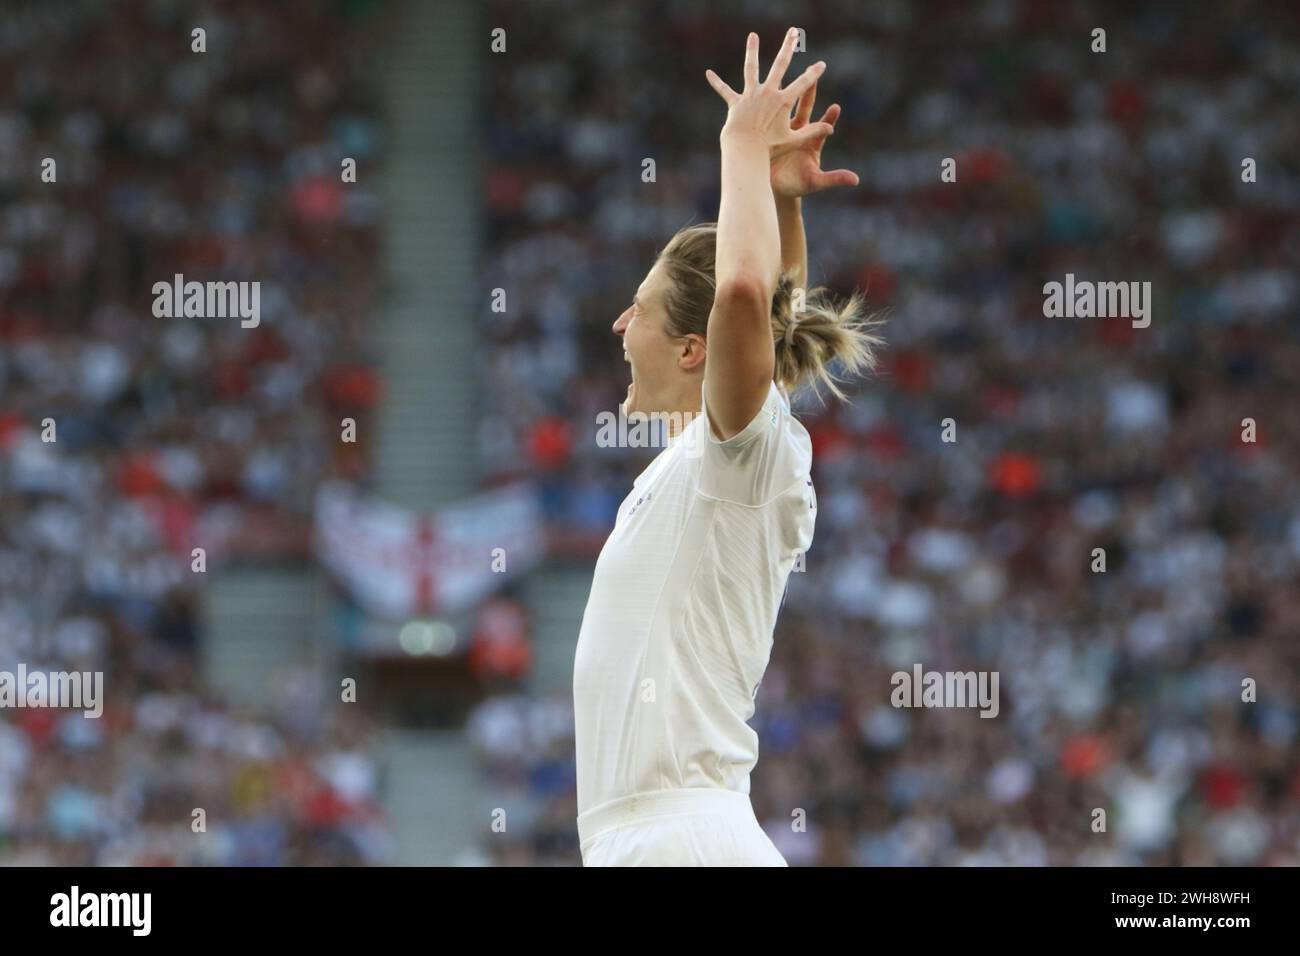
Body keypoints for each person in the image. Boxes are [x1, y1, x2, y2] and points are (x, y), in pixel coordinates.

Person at [572, 28, 883, 866]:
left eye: (639, 307)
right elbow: (768, 317)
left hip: (680, 839)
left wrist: (740, 150)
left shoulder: (738, 459)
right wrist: (780, 200)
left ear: (691, 348)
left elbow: (746, 296)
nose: (619, 323)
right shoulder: (703, 461)